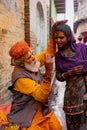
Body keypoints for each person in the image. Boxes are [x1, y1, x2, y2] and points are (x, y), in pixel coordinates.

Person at [0, 41, 62, 130]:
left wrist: (54, 35)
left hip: (41, 109)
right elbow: (41, 96)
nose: (33, 58)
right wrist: (48, 72)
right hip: (27, 114)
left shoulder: (30, 63)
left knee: (57, 127)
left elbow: (48, 52)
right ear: (21, 63)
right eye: (29, 57)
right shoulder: (20, 78)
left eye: (32, 53)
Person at [49, 20, 87, 130]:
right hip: (70, 96)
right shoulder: (59, 56)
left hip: (84, 93)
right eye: (56, 38)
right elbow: (58, 77)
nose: (58, 40)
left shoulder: (82, 49)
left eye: (61, 37)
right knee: (72, 125)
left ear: (68, 37)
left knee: (84, 124)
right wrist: (69, 73)